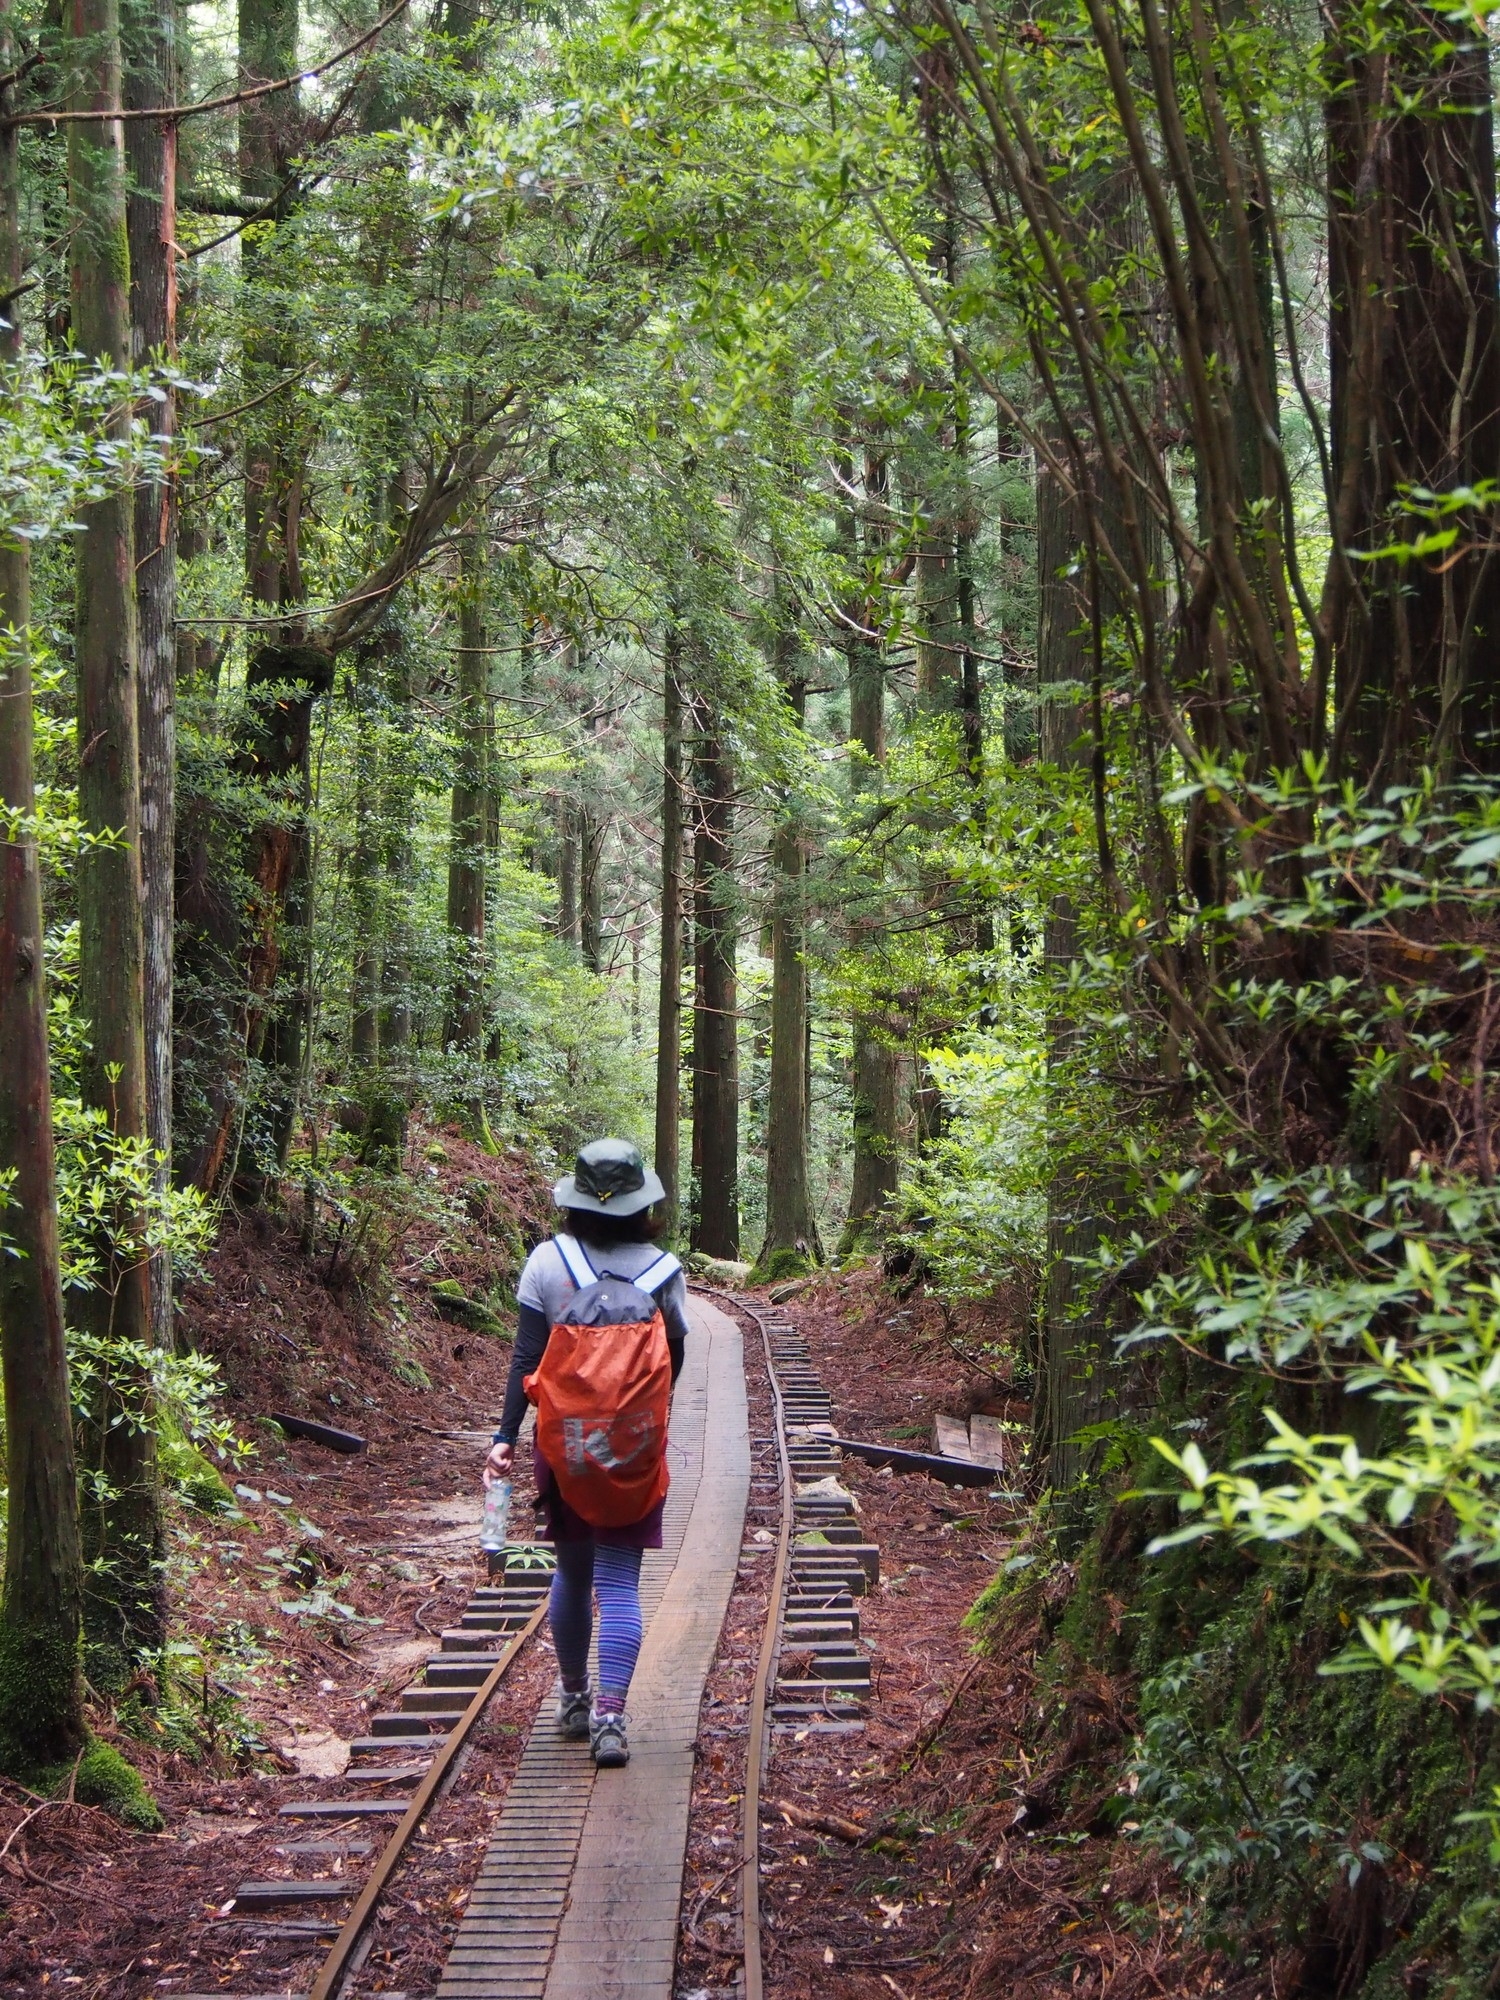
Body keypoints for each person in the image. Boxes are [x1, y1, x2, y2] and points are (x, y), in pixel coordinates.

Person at [484, 1138, 690, 1768]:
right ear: (641, 1203)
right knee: (621, 1582)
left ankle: (573, 1699)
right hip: (630, 1450)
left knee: (571, 1573)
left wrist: (504, 1437)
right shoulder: (663, 1270)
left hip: (563, 1445)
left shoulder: (547, 1262)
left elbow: (526, 1357)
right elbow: (672, 1362)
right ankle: (611, 1717)